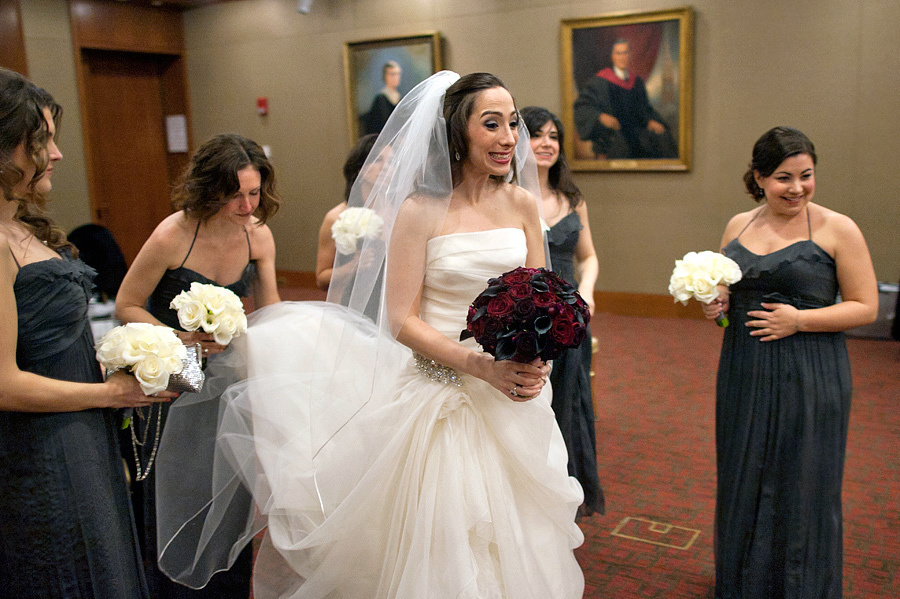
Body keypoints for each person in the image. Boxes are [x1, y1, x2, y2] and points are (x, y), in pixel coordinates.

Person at [156, 71, 585, 598]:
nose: (509, 138)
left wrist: (536, 353)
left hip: (514, 393)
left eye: (513, 124)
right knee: (443, 542)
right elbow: (401, 317)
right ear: (457, 133)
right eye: (491, 124)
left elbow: (538, 293)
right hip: (443, 393)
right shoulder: (420, 211)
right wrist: (476, 366)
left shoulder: (522, 204)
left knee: (519, 536)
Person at [0, 67, 175, 598]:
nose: (55, 154)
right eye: (42, 141)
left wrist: (132, 362)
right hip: (39, 450)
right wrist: (109, 392)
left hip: (81, 434)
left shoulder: (21, 226)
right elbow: (4, 383)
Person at [702, 126, 878, 599]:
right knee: (745, 473)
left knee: (802, 482)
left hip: (811, 372)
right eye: (783, 177)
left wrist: (799, 320)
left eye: (806, 175)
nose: (797, 188)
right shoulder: (737, 225)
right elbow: (726, 292)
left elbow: (866, 306)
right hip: (743, 370)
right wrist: (716, 305)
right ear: (759, 177)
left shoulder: (838, 228)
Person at [115, 132, 281, 598]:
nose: (248, 206)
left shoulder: (258, 235)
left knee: (231, 494)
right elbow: (127, 304)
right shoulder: (174, 234)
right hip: (173, 379)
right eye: (236, 196)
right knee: (181, 489)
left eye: (254, 193)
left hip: (230, 380)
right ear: (210, 190)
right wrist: (179, 339)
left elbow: (269, 314)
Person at [522, 105, 604, 517]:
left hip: (570, 316)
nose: (546, 143)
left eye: (553, 136)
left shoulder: (573, 199)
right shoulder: (506, 198)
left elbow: (588, 257)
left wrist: (586, 291)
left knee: (569, 399)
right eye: (537, 135)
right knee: (532, 400)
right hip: (525, 317)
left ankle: (565, 493)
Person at [573, 39, 677, 159]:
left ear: (629, 56)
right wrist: (600, 116)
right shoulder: (599, 82)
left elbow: (645, 109)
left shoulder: (637, 82)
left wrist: (650, 121)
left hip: (638, 133)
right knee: (622, 149)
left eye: (625, 53)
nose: (622, 57)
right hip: (612, 135)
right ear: (612, 56)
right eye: (618, 53)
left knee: (663, 138)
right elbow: (582, 106)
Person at [315, 132, 378, 291]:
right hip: (351, 298)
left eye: (391, 161)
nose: (387, 168)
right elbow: (321, 279)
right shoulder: (336, 217)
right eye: (378, 161)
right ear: (360, 169)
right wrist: (353, 266)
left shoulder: (402, 212)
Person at [362, 61, 402, 135]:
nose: (395, 77)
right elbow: (376, 126)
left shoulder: (400, 98)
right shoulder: (380, 100)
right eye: (392, 74)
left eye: (397, 74)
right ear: (385, 76)